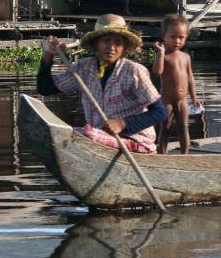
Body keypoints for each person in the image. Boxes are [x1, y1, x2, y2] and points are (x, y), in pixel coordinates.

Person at [36, 14, 167, 154]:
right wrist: (48, 55)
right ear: (96, 44)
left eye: (117, 42)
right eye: (106, 41)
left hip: (136, 141)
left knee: (87, 134)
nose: (111, 47)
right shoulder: (84, 69)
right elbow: (45, 88)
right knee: (61, 133)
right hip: (99, 141)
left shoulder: (134, 71)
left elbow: (160, 112)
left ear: (124, 47)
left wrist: (122, 123)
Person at [152, 14, 201, 155]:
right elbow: (157, 71)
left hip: (182, 100)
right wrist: (160, 54)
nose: (177, 41)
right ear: (164, 36)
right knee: (165, 127)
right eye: (173, 37)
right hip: (166, 100)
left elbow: (190, 78)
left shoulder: (185, 57)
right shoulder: (164, 56)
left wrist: (194, 97)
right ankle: (161, 152)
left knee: (184, 127)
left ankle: (184, 155)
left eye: (181, 37)